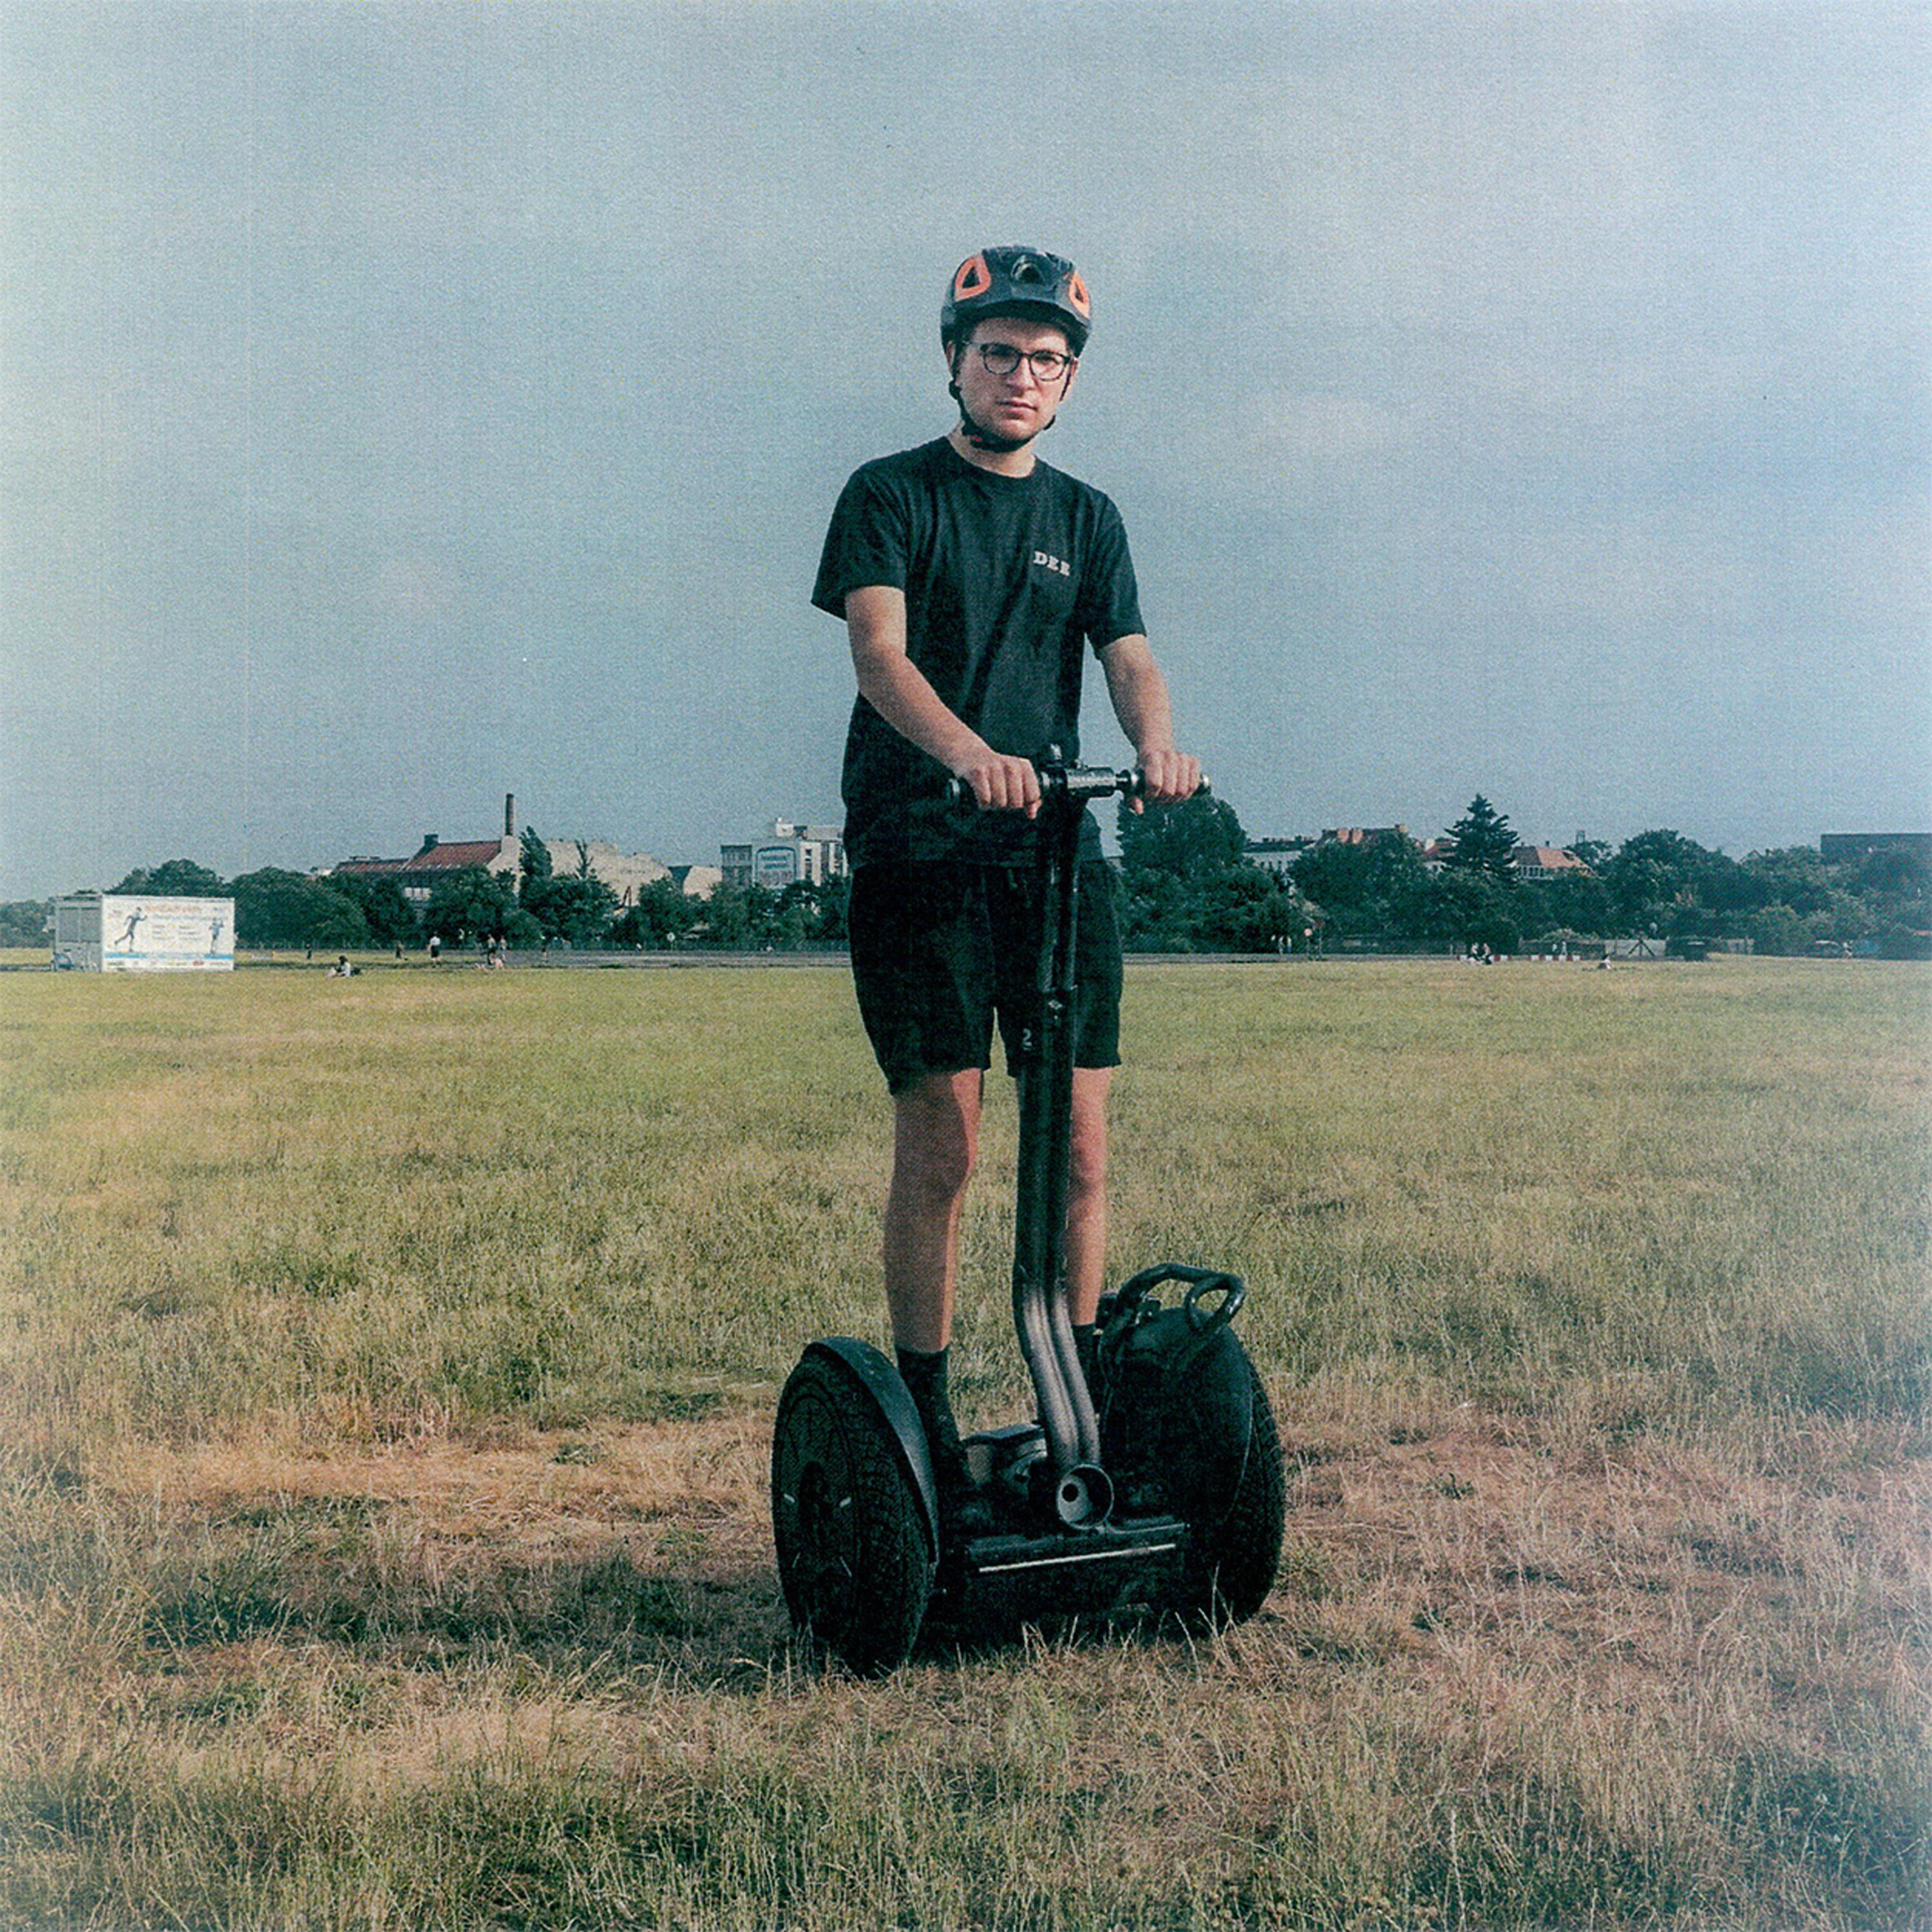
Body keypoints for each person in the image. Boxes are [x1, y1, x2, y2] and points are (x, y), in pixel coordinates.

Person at [811, 246, 1200, 1514]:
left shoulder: (1087, 519)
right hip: (924, 857)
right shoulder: (890, 495)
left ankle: (1071, 1403)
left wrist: (1154, 741)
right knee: (947, 1146)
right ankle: (918, 1411)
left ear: (1070, 381)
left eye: (1045, 359)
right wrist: (974, 755)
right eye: (998, 352)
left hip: (1055, 863)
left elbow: (1128, 652)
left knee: (1080, 1150)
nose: (1021, 374)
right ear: (954, 360)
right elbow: (880, 654)